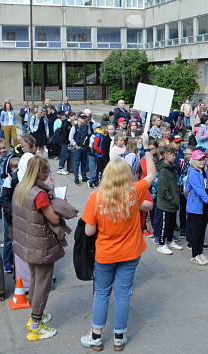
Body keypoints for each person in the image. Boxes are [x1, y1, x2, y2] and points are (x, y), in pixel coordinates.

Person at [79, 136, 155, 351]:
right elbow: (151, 174)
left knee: (102, 293)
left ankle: (96, 336)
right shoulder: (135, 191)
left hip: (105, 253)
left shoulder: (96, 197)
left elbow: (89, 230)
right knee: (123, 293)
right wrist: (147, 148)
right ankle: (119, 337)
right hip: (131, 252)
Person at [13, 156, 71, 341]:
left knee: (35, 280)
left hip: (27, 243)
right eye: (47, 172)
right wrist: (58, 203)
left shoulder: (21, 187)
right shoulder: (39, 194)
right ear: (40, 173)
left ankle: (36, 314)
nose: (49, 175)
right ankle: (36, 325)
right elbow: (53, 219)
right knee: (43, 284)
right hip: (41, 244)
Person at [185, 149, 208, 266]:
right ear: (194, 160)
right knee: (197, 230)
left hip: (206, 205)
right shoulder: (192, 172)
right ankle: (194, 255)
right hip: (197, 205)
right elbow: (199, 189)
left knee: (202, 230)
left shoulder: (206, 170)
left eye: (203, 159)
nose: (202, 161)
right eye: (199, 159)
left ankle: (199, 253)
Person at [155, 146, 183, 255]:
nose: (175, 157)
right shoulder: (163, 171)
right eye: (173, 155)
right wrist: (172, 200)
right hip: (166, 204)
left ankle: (170, 241)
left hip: (173, 203)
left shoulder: (171, 168)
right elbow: (163, 191)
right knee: (164, 225)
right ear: (166, 157)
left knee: (171, 224)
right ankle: (161, 244)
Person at [69, 113, 90, 186]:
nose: (83, 119)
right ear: (78, 118)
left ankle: (84, 176)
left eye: (84, 118)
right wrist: (75, 145)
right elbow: (70, 137)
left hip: (84, 147)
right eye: (82, 118)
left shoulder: (86, 127)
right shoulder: (74, 127)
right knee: (77, 163)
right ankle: (76, 178)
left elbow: (88, 135)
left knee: (84, 162)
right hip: (77, 148)